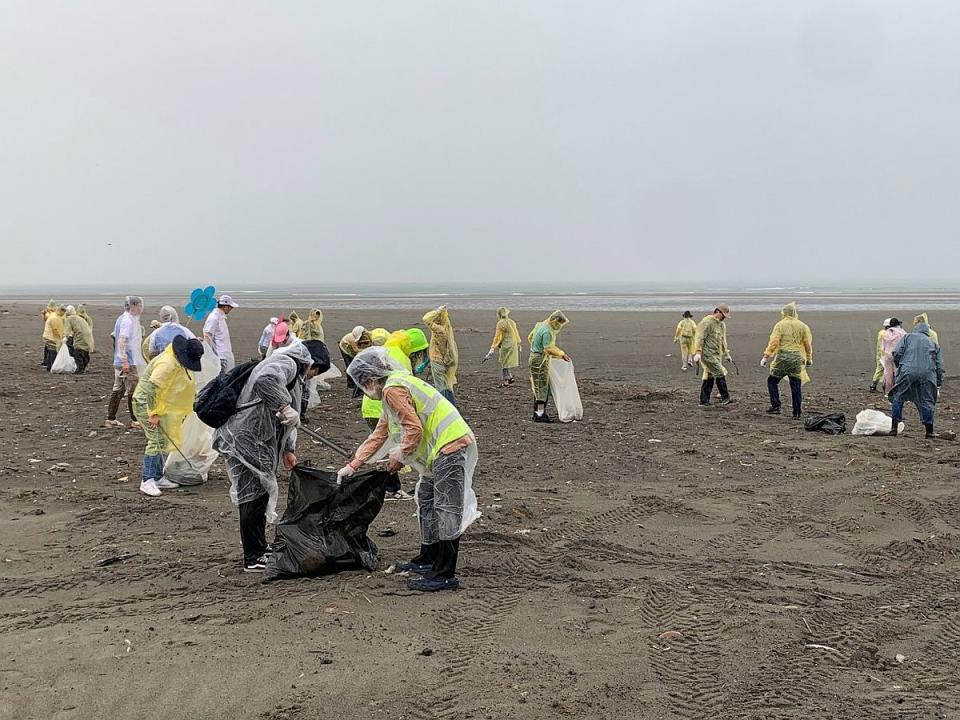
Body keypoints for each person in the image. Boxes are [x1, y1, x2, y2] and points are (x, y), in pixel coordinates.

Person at [339, 347, 479, 592]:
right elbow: (380, 433)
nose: (363, 390)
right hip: (439, 450)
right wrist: (353, 465)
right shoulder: (392, 388)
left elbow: (413, 428)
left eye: (362, 384)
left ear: (370, 380)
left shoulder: (393, 389)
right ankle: (428, 557)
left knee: (446, 507)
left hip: (450, 445)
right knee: (426, 498)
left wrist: (401, 456)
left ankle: (445, 573)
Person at [213, 340, 329, 572]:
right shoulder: (287, 363)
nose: (312, 376)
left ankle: (258, 547)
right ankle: (253, 556)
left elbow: (287, 419)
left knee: (259, 493)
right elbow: (264, 380)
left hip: (254, 439)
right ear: (311, 363)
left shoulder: (292, 369)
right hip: (247, 438)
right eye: (316, 370)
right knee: (253, 495)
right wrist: (284, 406)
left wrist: (288, 449)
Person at [131, 336, 204, 497]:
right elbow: (151, 388)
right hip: (146, 404)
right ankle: (147, 480)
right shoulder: (167, 364)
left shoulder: (175, 358)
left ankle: (157, 476)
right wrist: (153, 413)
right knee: (155, 440)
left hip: (160, 404)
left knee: (163, 439)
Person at [889, 323, 944, 439]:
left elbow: (896, 353)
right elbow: (939, 366)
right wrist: (938, 382)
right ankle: (929, 431)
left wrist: (900, 366)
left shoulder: (907, 337)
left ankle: (894, 427)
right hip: (927, 374)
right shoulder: (933, 343)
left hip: (907, 371)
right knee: (927, 400)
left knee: (898, 396)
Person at [760, 302, 813, 418]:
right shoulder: (803, 326)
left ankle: (776, 406)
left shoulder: (779, 325)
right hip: (796, 358)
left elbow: (774, 342)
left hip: (782, 358)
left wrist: (765, 357)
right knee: (796, 385)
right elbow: (807, 344)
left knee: (772, 381)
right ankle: (797, 412)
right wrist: (809, 358)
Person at [106, 296, 146, 429]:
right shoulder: (127, 321)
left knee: (118, 389)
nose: (141, 308)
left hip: (123, 360)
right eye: (139, 305)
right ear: (134, 306)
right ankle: (135, 420)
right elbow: (122, 340)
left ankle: (111, 418)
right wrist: (125, 361)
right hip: (128, 361)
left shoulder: (124, 319)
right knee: (132, 390)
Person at [528, 311, 571, 423]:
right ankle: (540, 413)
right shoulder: (547, 331)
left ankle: (537, 412)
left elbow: (530, 337)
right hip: (539, 360)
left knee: (538, 385)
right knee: (542, 386)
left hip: (535, 357)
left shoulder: (540, 325)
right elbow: (548, 348)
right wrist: (561, 354)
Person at [694, 304, 734, 406]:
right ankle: (725, 398)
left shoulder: (721, 325)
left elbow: (722, 340)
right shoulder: (706, 322)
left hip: (716, 353)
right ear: (717, 312)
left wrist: (726, 354)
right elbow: (699, 337)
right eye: (723, 315)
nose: (724, 318)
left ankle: (704, 401)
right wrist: (698, 352)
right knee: (719, 372)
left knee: (709, 374)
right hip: (706, 353)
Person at [423, 306, 460, 406]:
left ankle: (445, 406)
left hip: (437, 360)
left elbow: (426, 319)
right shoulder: (446, 328)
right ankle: (452, 404)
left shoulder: (439, 330)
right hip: (444, 359)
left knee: (440, 385)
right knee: (447, 384)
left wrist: (437, 311)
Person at [483, 307, 522, 386]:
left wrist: (493, 347)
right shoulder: (511, 322)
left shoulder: (501, 323)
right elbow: (516, 333)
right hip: (513, 344)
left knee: (504, 362)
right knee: (507, 361)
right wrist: (518, 342)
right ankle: (510, 377)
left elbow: (498, 337)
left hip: (506, 344)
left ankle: (506, 379)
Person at [203, 294, 239, 374]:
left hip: (225, 354)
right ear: (225, 307)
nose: (231, 309)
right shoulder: (214, 317)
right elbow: (207, 336)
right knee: (222, 379)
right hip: (220, 356)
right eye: (230, 307)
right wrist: (210, 355)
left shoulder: (220, 317)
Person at [340, 326, 373, 394]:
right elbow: (357, 352)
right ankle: (351, 384)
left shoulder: (368, 335)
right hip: (345, 348)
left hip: (356, 348)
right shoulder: (351, 340)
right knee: (351, 365)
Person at [63, 305, 95, 374]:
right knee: (85, 352)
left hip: (80, 336)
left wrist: (65, 337)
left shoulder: (69, 318)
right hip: (88, 336)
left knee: (78, 352)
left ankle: (80, 369)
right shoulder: (80, 318)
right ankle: (84, 366)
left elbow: (67, 330)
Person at [881, 318, 907, 396]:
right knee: (898, 373)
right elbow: (905, 344)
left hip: (888, 355)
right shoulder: (902, 332)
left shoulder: (886, 333)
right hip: (898, 355)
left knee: (888, 374)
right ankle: (899, 391)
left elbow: (883, 347)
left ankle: (888, 392)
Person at [41, 304, 66, 371]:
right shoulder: (55, 318)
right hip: (50, 337)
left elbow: (46, 317)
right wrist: (60, 338)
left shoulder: (53, 315)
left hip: (47, 335)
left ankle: (49, 366)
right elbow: (55, 330)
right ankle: (52, 366)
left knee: (49, 351)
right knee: (53, 352)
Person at [869, 319, 892, 392]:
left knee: (880, 370)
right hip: (883, 354)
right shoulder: (885, 334)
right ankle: (877, 385)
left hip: (880, 354)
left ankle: (875, 385)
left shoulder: (881, 332)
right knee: (884, 370)